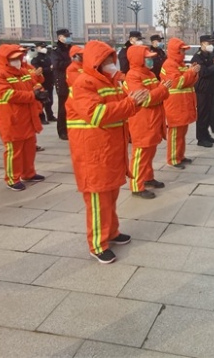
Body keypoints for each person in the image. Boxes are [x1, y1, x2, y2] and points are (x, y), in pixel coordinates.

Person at [66, 41, 148, 263]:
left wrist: (135, 103)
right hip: (92, 153)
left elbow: (122, 109)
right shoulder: (83, 83)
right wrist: (131, 104)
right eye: (107, 60)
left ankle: (111, 232)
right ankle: (98, 244)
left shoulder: (110, 82)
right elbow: (96, 114)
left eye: (112, 58)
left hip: (108, 150)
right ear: (96, 62)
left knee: (110, 196)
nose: (111, 63)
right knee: (98, 200)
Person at [0, 44, 46, 191]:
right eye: (14, 59)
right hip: (11, 119)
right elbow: (7, 94)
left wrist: (40, 92)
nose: (18, 61)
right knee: (14, 151)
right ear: (5, 59)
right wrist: (33, 95)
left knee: (29, 148)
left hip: (27, 117)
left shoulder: (23, 72)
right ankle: (12, 178)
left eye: (19, 58)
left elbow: (34, 83)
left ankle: (28, 173)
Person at [123, 45, 171, 199]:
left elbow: (159, 94)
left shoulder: (149, 74)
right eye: (147, 58)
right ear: (139, 59)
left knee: (150, 152)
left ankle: (148, 177)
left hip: (153, 119)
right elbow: (145, 99)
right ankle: (137, 186)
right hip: (142, 121)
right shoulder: (132, 76)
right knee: (141, 154)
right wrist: (162, 90)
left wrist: (162, 91)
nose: (151, 61)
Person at [161, 37, 200, 168]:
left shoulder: (181, 65)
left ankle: (180, 156)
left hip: (183, 103)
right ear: (175, 51)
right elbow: (178, 83)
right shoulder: (169, 65)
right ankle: (173, 159)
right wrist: (191, 72)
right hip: (175, 105)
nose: (184, 53)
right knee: (175, 134)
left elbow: (189, 81)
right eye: (182, 50)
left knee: (182, 133)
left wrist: (193, 73)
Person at [191, 35, 214, 147]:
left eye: (211, 43)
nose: (210, 45)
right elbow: (204, 72)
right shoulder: (197, 57)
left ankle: (206, 135)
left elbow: (213, 71)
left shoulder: (209, 55)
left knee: (208, 113)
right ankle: (201, 138)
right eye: (208, 43)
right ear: (202, 44)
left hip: (210, 88)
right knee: (202, 114)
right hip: (202, 90)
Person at [52, 29, 72, 140]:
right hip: (62, 81)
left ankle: (70, 128)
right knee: (63, 108)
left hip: (73, 81)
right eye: (66, 36)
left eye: (68, 35)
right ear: (60, 37)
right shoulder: (56, 51)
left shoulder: (71, 48)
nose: (68, 38)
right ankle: (62, 131)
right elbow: (57, 65)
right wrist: (72, 62)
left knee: (72, 107)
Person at [31, 42, 56, 124]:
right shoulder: (35, 59)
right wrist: (49, 69)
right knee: (41, 102)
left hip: (49, 81)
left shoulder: (48, 57)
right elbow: (37, 71)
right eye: (42, 47)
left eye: (44, 47)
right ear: (37, 48)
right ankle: (41, 117)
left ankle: (50, 115)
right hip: (41, 83)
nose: (44, 48)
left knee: (50, 100)